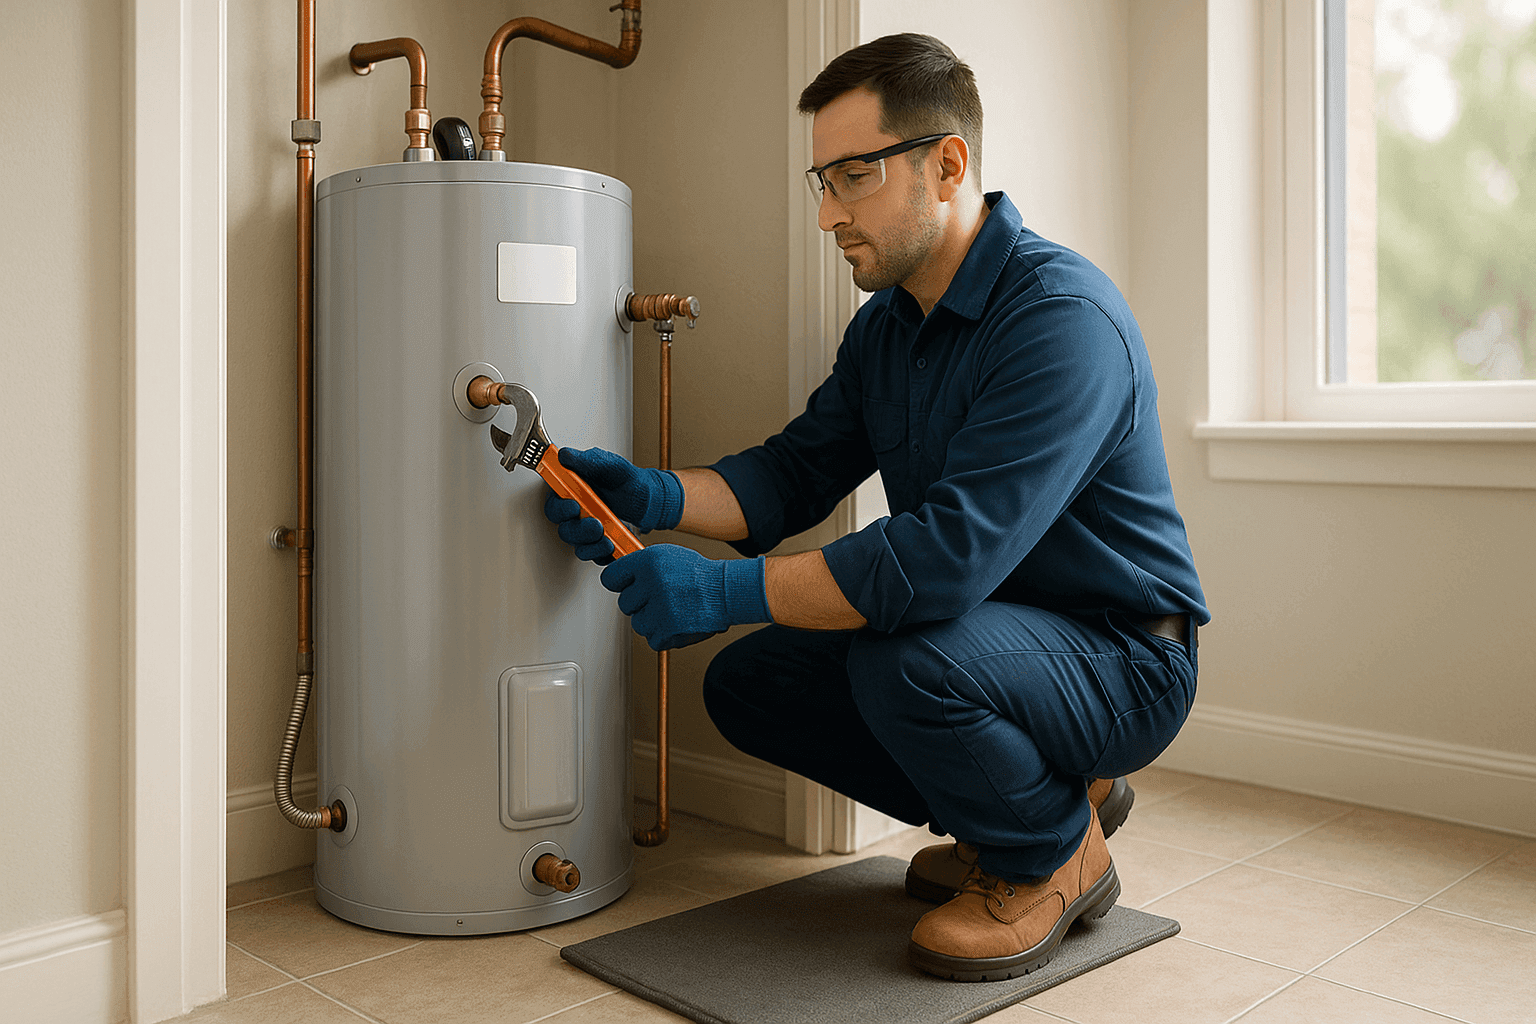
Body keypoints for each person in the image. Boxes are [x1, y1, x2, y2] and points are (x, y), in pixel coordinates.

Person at [543, 32, 1208, 981]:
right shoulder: (888, 328)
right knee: (751, 684)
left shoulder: (1062, 321)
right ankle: (1018, 807)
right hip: (987, 636)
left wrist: (726, 593)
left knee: (909, 658)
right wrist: (651, 494)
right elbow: (788, 476)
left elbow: (942, 562)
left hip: (1122, 653)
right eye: (821, 181)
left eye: (852, 177)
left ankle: (1049, 850)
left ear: (947, 164)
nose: (826, 215)